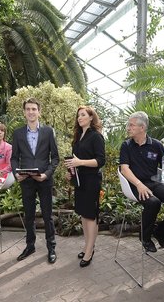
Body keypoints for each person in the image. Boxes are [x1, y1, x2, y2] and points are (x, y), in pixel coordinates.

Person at [119, 111, 164, 253]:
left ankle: (161, 233)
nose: (128, 128)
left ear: (142, 127)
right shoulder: (126, 145)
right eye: (129, 125)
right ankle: (145, 238)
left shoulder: (156, 145)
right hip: (134, 184)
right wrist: (139, 185)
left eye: (131, 125)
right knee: (153, 202)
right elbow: (124, 169)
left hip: (154, 183)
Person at [11, 97, 60, 264]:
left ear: (39, 112)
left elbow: (55, 158)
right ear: (24, 112)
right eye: (28, 109)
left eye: (34, 109)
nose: (31, 112)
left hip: (44, 180)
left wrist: (46, 174)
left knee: (48, 216)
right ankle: (30, 246)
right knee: (29, 216)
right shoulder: (17, 133)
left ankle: (51, 247)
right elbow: (14, 158)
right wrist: (16, 173)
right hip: (26, 180)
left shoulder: (48, 131)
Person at [64, 106, 106, 267]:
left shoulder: (96, 137)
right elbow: (74, 161)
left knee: (90, 216)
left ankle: (89, 251)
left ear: (91, 118)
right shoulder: (77, 137)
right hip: (79, 180)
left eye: (83, 115)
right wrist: (70, 172)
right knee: (83, 214)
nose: (79, 117)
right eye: (78, 115)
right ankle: (88, 245)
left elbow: (100, 161)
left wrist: (79, 162)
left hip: (91, 181)